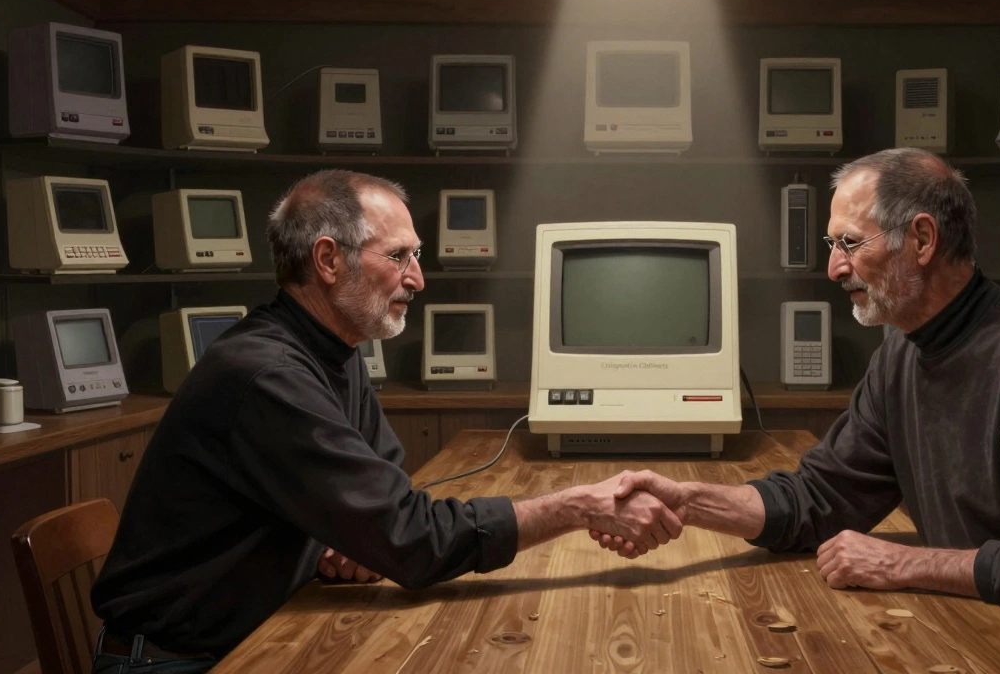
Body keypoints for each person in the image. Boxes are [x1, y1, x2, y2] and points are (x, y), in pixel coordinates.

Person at [593, 148, 1000, 674]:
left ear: (922, 240)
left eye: (850, 244)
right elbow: (823, 498)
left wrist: (902, 564)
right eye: (832, 246)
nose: (833, 269)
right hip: (987, 620)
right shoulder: (902, 346)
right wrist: (689, 502)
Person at [88, 170, 682, 673]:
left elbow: (387, 491)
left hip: (248, 629)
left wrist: (356, 532)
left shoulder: (334, 350)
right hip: (179, 660)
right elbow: (411, 538)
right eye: (398, 256)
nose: (417, 278)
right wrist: (577, 507)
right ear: (327, 259)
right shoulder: (268, 375)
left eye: (415, 256)